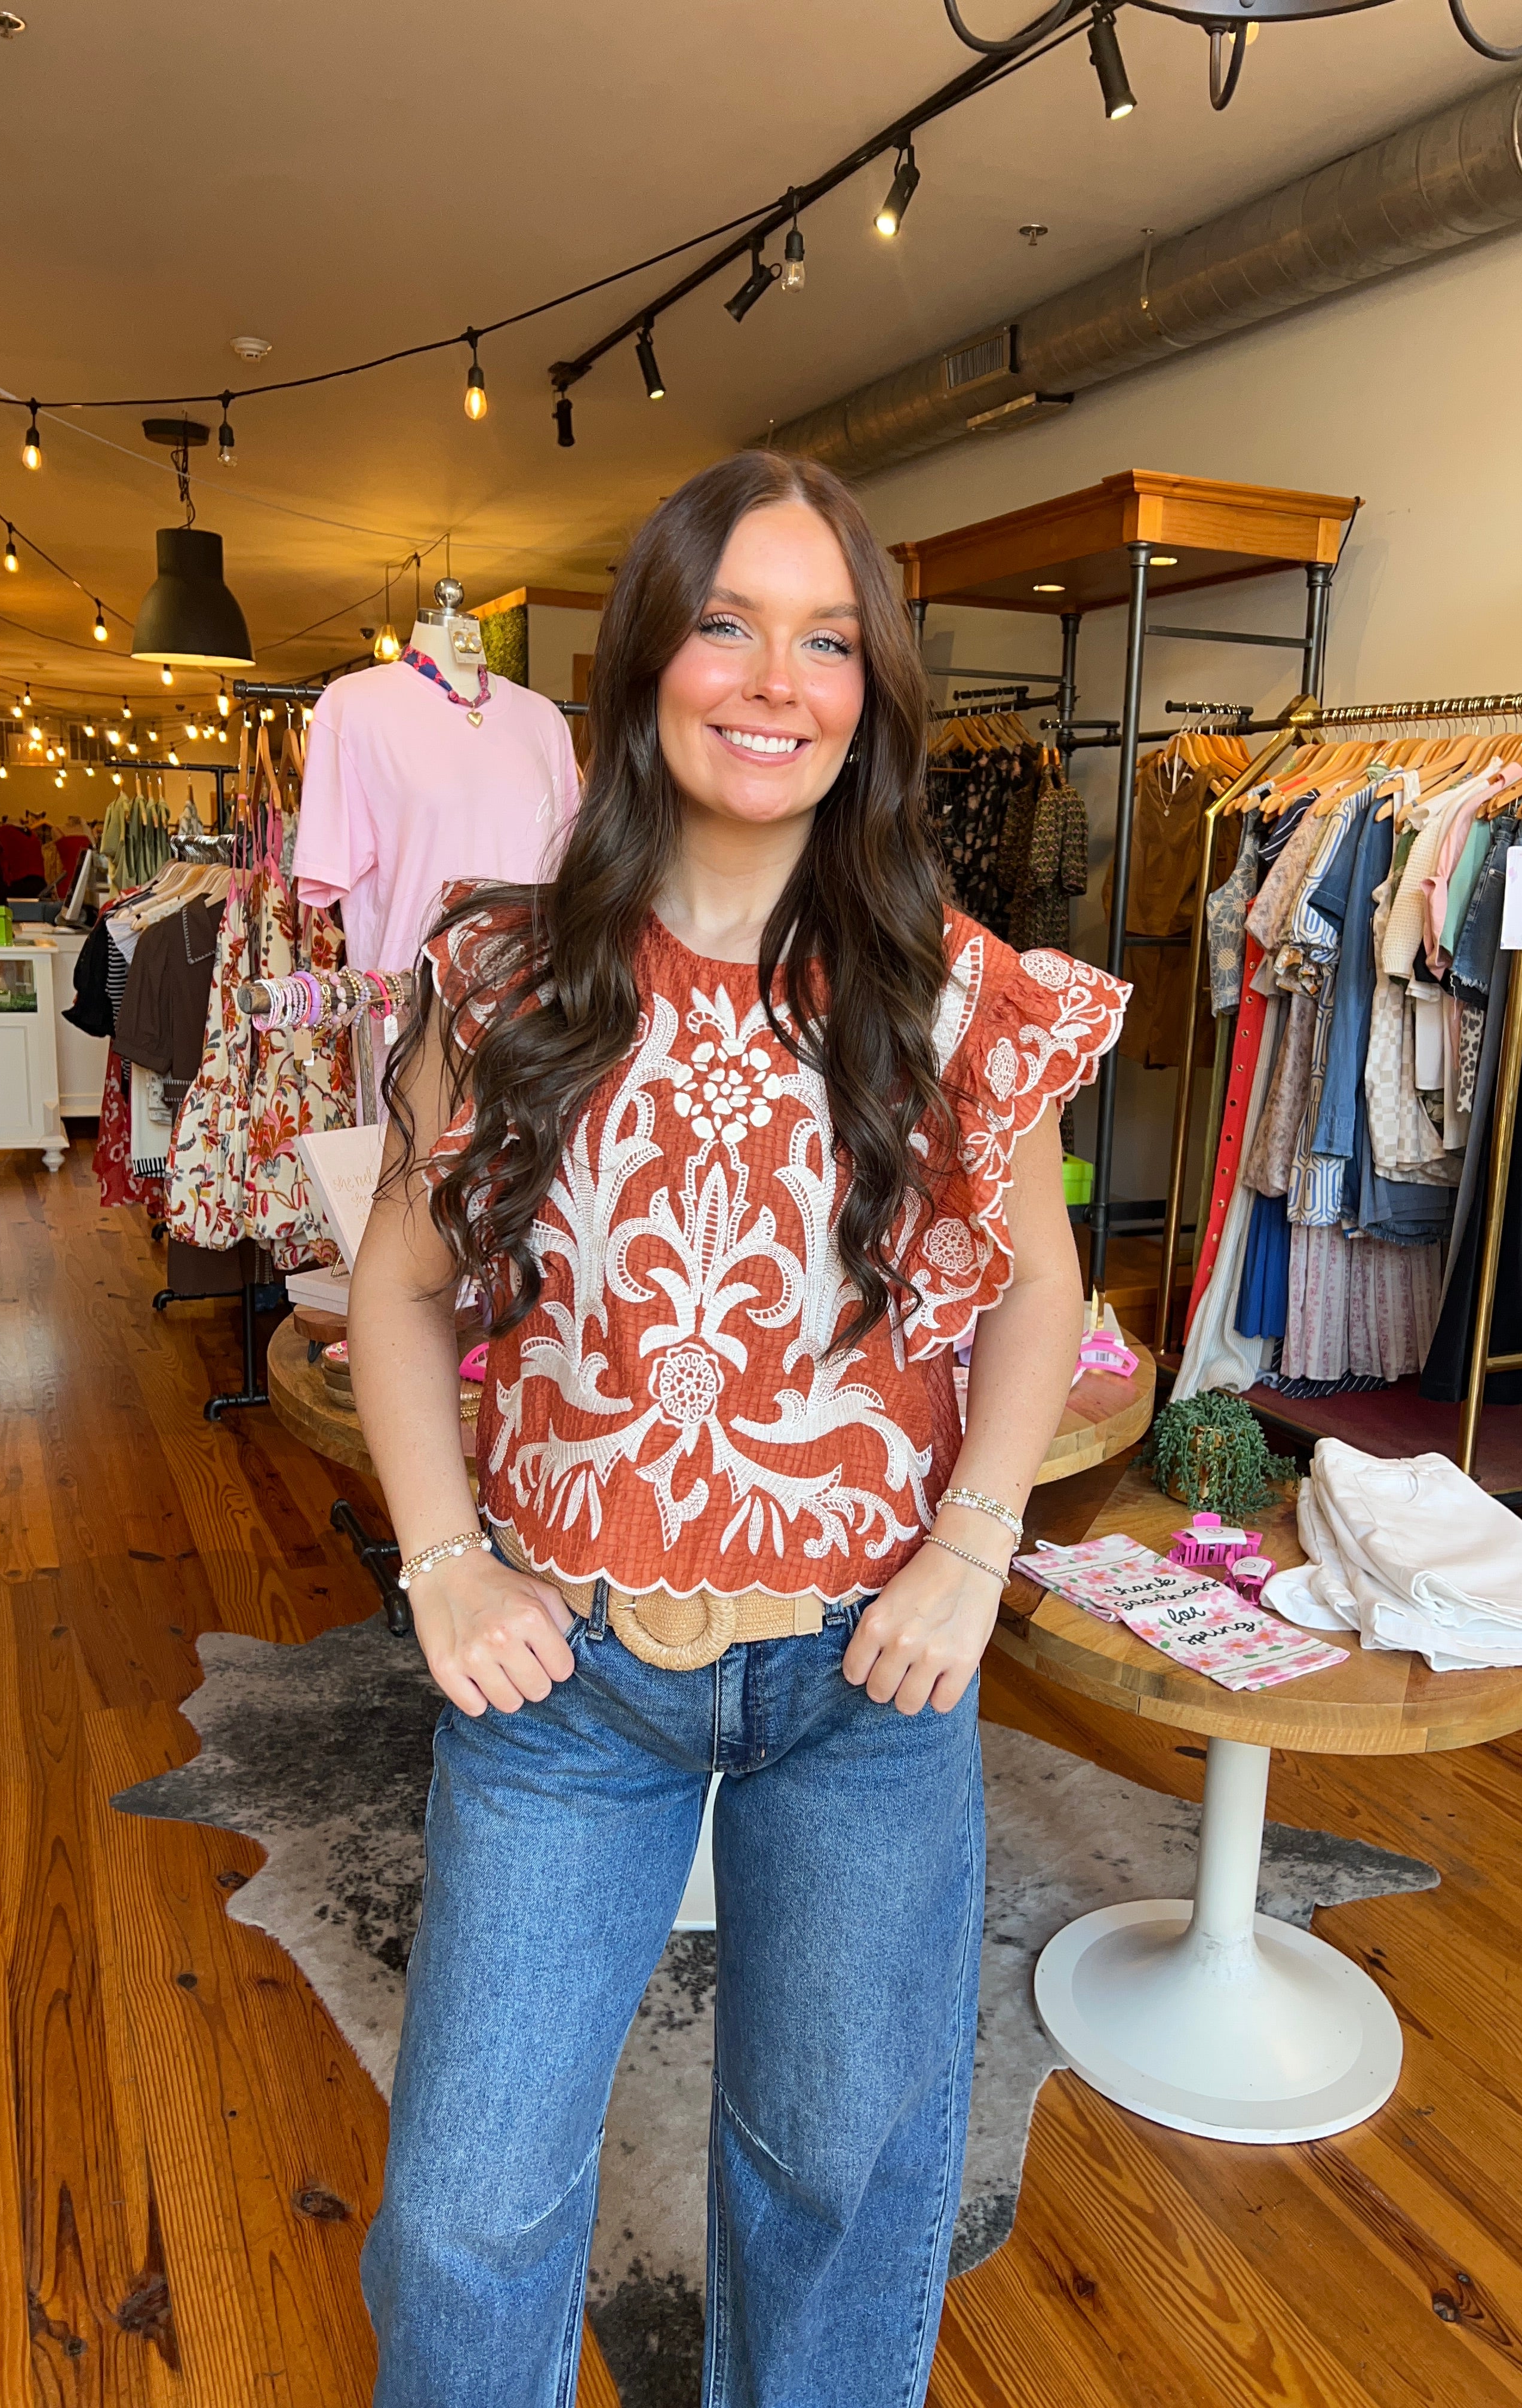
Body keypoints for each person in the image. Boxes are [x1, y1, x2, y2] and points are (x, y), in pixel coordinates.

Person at [349, 449, 1127, 2408]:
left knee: (841, 2187)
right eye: (726, 625)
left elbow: (1041, 1285)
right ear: (643, 662)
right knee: (463, 2217)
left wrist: (975, 1549)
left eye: (828, 641)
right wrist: (440, 1565)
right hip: (568, 1688)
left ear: (871, 693)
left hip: (866, 1684)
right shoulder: (506, 973)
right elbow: (397, 1286)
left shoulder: (955, 994)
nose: (777, 682)